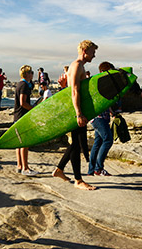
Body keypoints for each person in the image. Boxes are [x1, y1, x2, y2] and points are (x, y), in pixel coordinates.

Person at [52, 40, 98, 190]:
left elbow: (70, 88)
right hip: (76, 110)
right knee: (77, 144)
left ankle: (60, 170)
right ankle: (78, 180)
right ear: (85, 51)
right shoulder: (77, 65)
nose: (94, 55)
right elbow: (75, 91)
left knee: (76, 144)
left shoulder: (78, 66)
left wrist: (63, 86)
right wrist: (78, 113)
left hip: (77, 109)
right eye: (93, 52)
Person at [87, 61, 116, 176]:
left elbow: (104, 101)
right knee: (108, 140)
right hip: (99, 118)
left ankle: (91, 170)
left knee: (97, 143)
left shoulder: (98, 82)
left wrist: (112, 112)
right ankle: (98, 168)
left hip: (98, 117)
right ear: (105, 71)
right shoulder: (102, 83)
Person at [14, 65, 38, 176]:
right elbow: (23, 103)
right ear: (26, 74)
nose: (32, 74)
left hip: (17, 116)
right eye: (31, 72)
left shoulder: (20, 84)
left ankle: (19, 165)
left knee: (19, 144)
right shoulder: (24, 86)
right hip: (23, 116)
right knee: (25, 143)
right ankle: (25, 168)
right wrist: (33, 109)